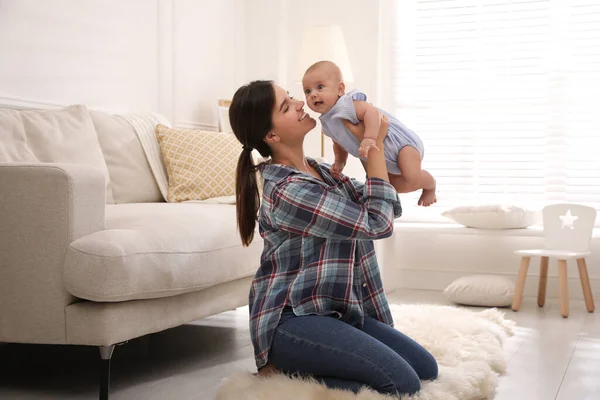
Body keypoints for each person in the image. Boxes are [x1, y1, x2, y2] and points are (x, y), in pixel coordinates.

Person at [229, 79, 438, 396]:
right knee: (401, 383)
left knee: (426, 369)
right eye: (287, 106)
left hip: (333, 312)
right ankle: (281, 372)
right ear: (271, 136)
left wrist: (366, 144)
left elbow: (383, 202)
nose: (301, 103)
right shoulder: (289, 190)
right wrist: (374, 146)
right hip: (291, 320)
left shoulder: (321, 171)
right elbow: (376, 223)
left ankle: (311, 363)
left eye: (292, 98)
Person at [302, 60, 437, 207]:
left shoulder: (347, 104)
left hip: (401, 145)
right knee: (391, 187)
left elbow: (372, 112)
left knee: (412, 176)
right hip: (383, 157)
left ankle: (430, 185)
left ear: (340, 89)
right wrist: (340, 161)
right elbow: (338, 143)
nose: (313, 94)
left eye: (320, 87)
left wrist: (369, 138)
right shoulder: (327, 123)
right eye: (307, 91)